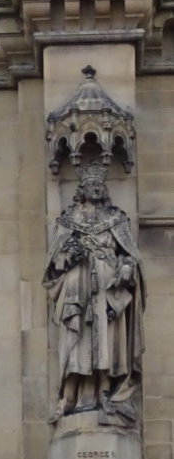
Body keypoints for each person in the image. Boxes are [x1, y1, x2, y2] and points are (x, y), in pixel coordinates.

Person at [43, 164, 144, 425]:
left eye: (100, 184)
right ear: (82, 189)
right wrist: (69, 255)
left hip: (109, 290)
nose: (96, 187)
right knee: (79, 343)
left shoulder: (116, 219)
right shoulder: (69, 219)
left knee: (107, 344)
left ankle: (105, 393)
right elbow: (54, 262)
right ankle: (71, 396)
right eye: (91, 184)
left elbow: (130, 256)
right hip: (78, 289)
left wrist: (126, 267)